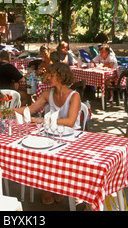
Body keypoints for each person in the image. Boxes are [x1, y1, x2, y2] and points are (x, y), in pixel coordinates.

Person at [14, 62, 81, 205]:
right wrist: (8, 111)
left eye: (52, 75)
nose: (48, 78)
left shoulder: (74, 96)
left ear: (62, 77)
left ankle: (57, 187)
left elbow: (70, 122)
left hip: (71, 139)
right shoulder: (47, 94)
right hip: (52, 135)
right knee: (38, 152)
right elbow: (30, 109)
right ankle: (47, 187)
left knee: (54, 156)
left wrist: (42, 120)